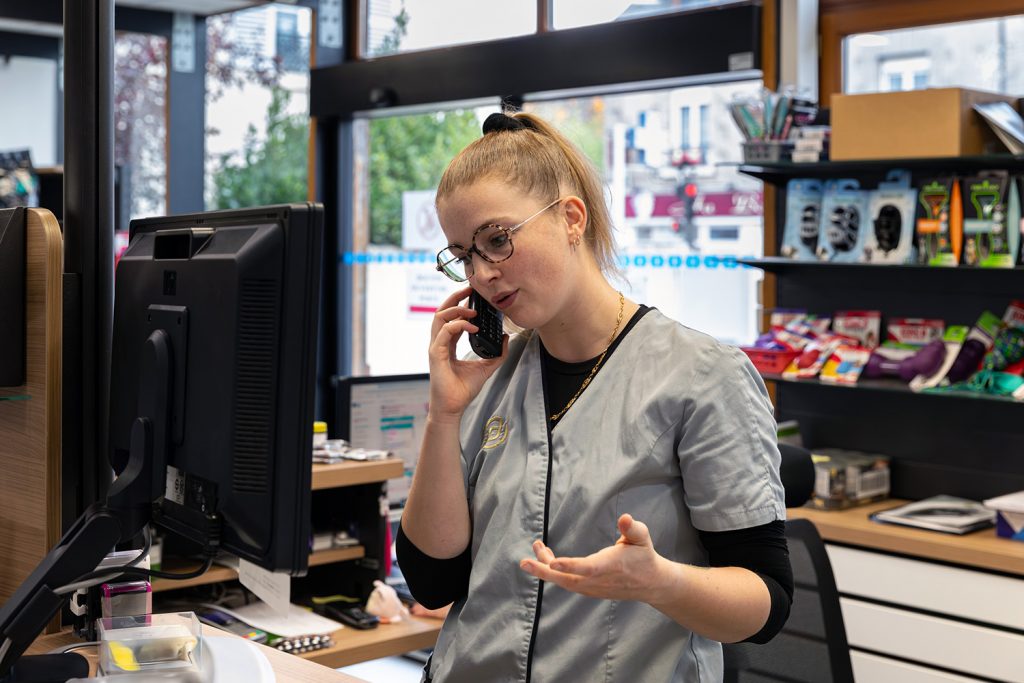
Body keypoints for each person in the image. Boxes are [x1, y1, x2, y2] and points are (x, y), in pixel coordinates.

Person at [397, 110, 792, 683]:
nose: (482, 273)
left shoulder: (702, 375)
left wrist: (660, 581)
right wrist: (444, 415)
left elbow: (767, 604)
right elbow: (433, 584)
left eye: (497, 240)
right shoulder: (489, 378)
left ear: (571, 219)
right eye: (463, 254)